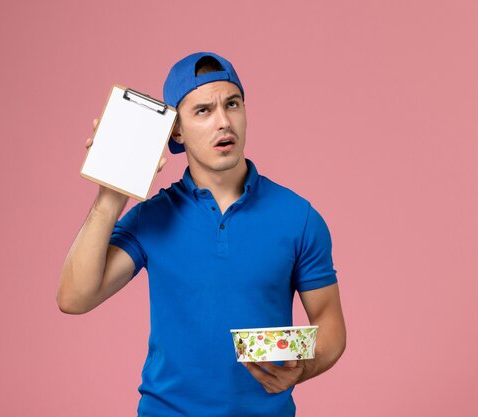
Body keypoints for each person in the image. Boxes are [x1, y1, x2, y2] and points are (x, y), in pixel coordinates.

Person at [57, 52, 346, 417]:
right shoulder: (153, 218)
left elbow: (330, 323)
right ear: (175, 130)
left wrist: (304, 368)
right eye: (203, 111)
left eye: (232, 104)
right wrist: (111, 196)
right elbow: (74, 298)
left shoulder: (298, 216)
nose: (224, 122)